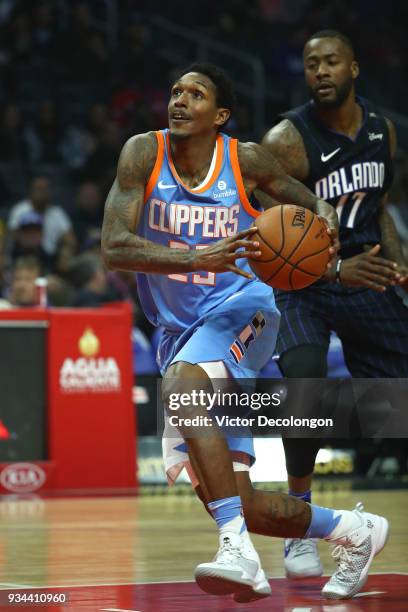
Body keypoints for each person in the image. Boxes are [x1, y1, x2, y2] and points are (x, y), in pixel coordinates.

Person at [101, 61, 388, 602]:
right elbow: (114, 248)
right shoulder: (144, 153)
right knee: (241, 499)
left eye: (196, 94)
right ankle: (354, 531)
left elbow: (306, 201)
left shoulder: (245, 159)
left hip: (244, 310)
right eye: (175, 91)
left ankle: (235, 550)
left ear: (221, 114)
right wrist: (198, 256)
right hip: (177, 332)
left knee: (184, 389)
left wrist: (323, 215)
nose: (179, 101)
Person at [259, 30, 408, 581]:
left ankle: (357, 530)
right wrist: (335, 268)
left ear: (355, 68)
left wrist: (397, 265)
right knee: (304, 384)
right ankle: (301, 517)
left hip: (365, 277)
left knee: (399, 407)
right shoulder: (287, 140)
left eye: (331, 62)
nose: (320, 71)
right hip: (304, 284)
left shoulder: (381, 130)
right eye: (311, 65)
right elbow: (266, 234)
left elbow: (380, 207)